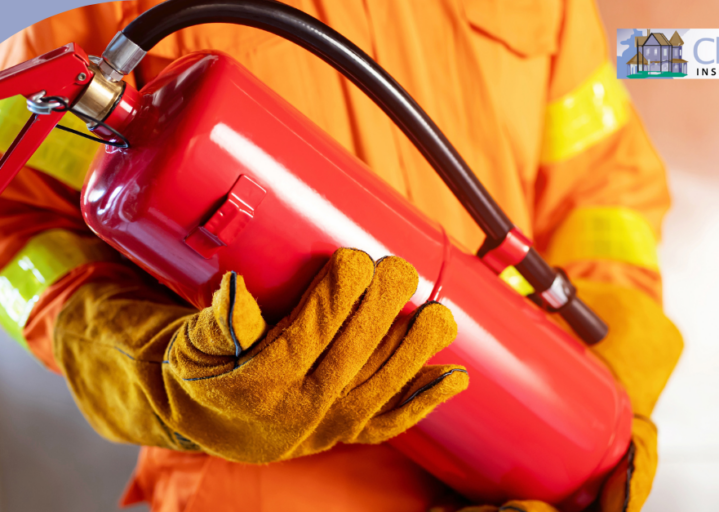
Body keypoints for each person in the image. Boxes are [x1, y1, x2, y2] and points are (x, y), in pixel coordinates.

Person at [0, 1, 683, 511]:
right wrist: (162, 371)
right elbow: (15, 224)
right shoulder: (92, 11)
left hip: (516, 445)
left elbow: (603, 194)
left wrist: (607, 377)